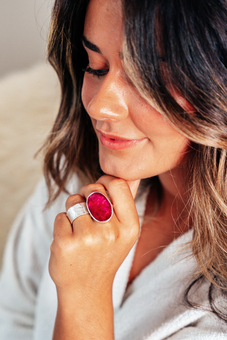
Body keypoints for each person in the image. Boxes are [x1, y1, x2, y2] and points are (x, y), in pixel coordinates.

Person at [1, 0, 227, 338]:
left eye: (144, 77)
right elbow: (12, 316)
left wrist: (84, 294)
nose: (99, 104)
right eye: (95, 66)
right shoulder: (73, 176)